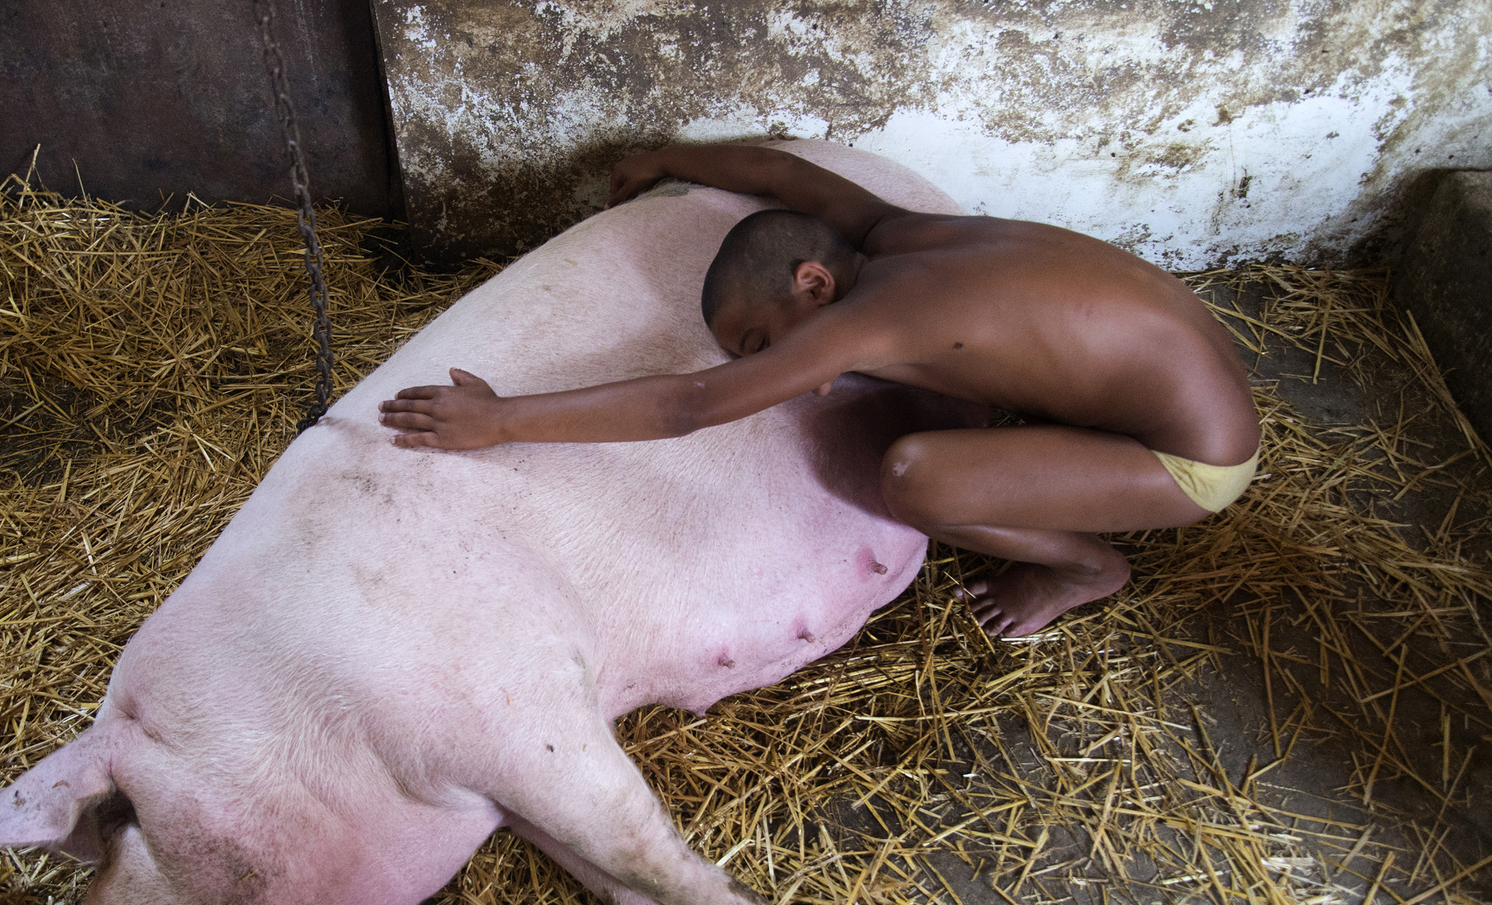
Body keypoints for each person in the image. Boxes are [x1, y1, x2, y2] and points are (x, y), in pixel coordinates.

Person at [377, 145, 1260, 637]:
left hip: (1191, 462)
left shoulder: (867, 319)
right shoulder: (897, 234)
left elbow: (690, 404)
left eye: (763, 344)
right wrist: (667, 156)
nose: (775, 369)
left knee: (916, 478)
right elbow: (787, 178)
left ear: (813, 283)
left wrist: (503, 420)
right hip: (1209, 375)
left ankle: (1086, 566)